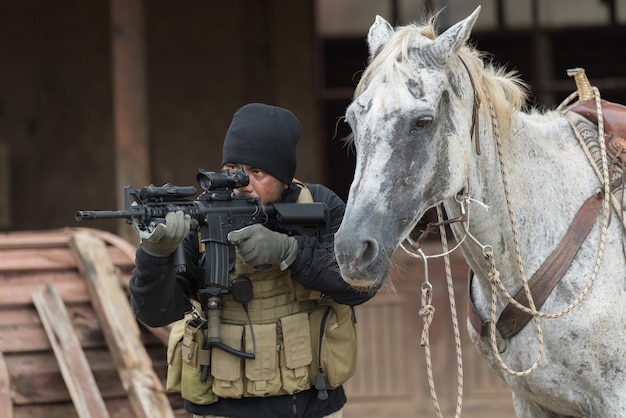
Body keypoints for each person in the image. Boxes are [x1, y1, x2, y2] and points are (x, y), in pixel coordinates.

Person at [129, 103, 374, 418]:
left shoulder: (320, 206)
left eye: (257, 171)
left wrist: (291, 253)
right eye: (232, 168)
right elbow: (155, 312)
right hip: (221, 404)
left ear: (285, 178)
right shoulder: (201, 217)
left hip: (313, 404)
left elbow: (359, 288)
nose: (241, 181)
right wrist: (155, 256)